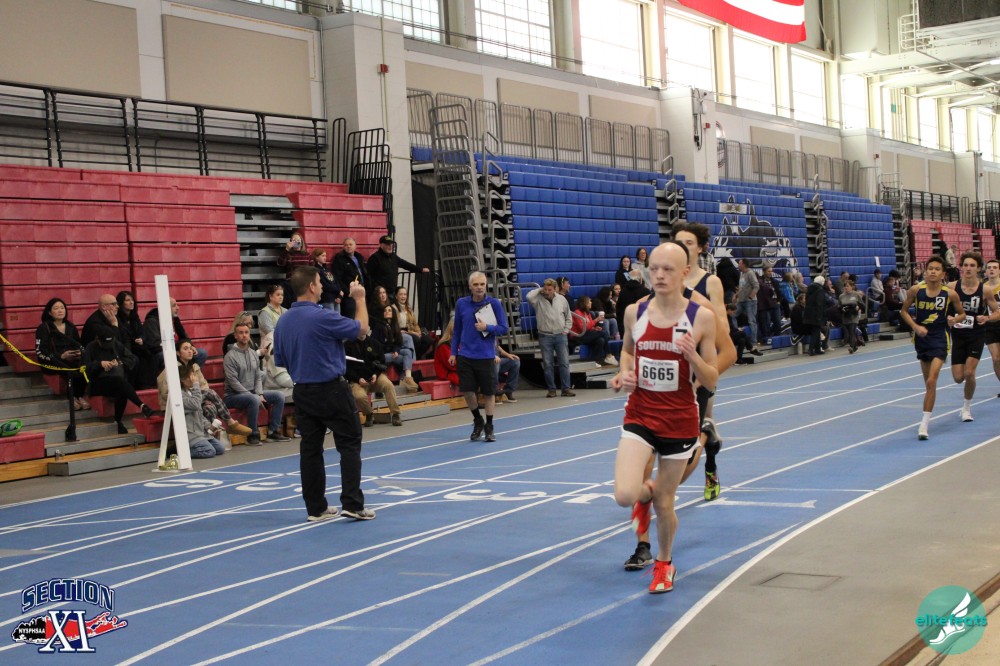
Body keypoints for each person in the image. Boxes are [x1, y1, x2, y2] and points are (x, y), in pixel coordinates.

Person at [612, 242, 718, 594]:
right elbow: (627, 352)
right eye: (653, 268)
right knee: (625, 495)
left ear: (685, 272)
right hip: (640, 414)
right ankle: (645, 494)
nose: (658, 275)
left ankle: (664, 563)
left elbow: (711, 380)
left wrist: (693, 358)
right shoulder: (634, 312)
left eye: (667, 269)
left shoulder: (701, 318)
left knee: (664, 501)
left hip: (679, 420)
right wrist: (624, 374)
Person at [273, 265, 376, 522]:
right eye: (320, 282)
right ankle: (352, 502)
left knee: (310, 449)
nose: (322, 287)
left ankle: (316, 507)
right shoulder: (322, 316)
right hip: (331, 389)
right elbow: (362, 329)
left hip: (302, 391)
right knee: (349, 443)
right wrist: (360, 298)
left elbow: (281, 360)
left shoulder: (283, 321)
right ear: (311, 286)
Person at [899, 256, 965, 440]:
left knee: (932, 380)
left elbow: (962, 314)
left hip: (940, 338)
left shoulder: (949, 294)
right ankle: (926, 417)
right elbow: (903, 311)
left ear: (943, 274)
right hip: (922, 339)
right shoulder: (916, 290)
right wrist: (915, 327)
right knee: (928, 384)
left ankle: (924, 424)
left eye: (937, 269)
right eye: (930, 269)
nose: (933, 272)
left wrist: (954, 320)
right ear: (926, 272)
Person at [451, 271, 509, 442]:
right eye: (476, 284)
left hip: (485, 356)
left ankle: (489, 426)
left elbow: (503, 328)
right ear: (470, 286)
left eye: (482, 284)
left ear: (486, 285)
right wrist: (453, 352)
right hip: (465, 355)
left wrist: (487, 327)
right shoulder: (461, 303)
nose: (479, 287)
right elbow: (457, 331)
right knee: (468, 391)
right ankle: (478, 420)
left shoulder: (494, 304)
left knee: (489, 392)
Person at [157, 339, 251, 438]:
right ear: (178, 353)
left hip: (195, 399)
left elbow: (203, 385)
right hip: (179, 403)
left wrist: (204, 400)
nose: (189, 351)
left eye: (190, 348)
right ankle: (230, 422)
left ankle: (210, 435)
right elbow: (166, 393)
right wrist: (191, 396)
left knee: (210, 407)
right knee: (210, 392)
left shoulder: (194, 366)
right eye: (185, 349)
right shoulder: (171, 369)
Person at [947, 252, 999, 422]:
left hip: (976, 334)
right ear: (961, 267)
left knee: (969, 373)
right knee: (958, 377)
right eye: (965, 265)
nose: (968, 268)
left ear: (978, 269)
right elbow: (941, 307)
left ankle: (966, 408)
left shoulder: (985, 290)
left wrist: (987, 318)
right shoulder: (952, 287)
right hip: (958, 335)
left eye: (972, 265)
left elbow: (997, 312)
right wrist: (948, 318)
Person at [223, 323, 290, 445]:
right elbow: (233, 382)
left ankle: (273, 432)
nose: (244, 335)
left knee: (279, 396)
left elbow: (258, 376)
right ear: (236, 336)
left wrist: (259, 393)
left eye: (246, 332)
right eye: (241, 333)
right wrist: (253, 395)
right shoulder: (230, 356)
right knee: (253, 399)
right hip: (233, 396)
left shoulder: (253, 353)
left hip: (252, 393)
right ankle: (252, 434)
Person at [84, 327, 155, 433]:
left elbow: (132, 358)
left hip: (116, 380)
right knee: (120, 383)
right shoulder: (90, 348)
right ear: (98, 340)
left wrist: (119, 362)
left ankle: (118, 421)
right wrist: (100, 364)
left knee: (122, 389)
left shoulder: (116, 345)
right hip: (97, 382)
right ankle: (142, 406)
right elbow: (85, 367)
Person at [35, 297, 89, 410]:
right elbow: (41, 351)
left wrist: (78, 353)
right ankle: (72, 397)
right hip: (51, 361)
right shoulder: (44, 328)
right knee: (70, 369)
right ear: (49, 312)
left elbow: (78, 344)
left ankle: (79, 396)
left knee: (84, 365)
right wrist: (61, 356)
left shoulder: (70, 326)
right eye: (56, 308)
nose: (60, 310)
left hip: (71, 358)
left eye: (62, 308)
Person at [526, 279, 574, 398]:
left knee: (564, 363)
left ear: (555, 289)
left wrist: (566, 330)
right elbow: (528, 296)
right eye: (545, 289)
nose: (547, 292)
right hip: (545, 335)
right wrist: (539, 289)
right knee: (548, 364)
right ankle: (551, 389)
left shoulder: (562, 299)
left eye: (550, 289)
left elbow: (568, 316)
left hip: (560, 334)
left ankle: (566, 388)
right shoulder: (538, 300)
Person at [345, 336, 402, 427]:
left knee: (388, 385)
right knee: (358, 395)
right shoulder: (347, 345)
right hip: (358, 380)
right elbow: (346, 369)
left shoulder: (375, 343)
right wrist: (358, 379)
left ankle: (395, 414)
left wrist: (376, 374)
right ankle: (369, 414)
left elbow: (382, 362)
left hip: (376, 377)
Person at [178, 364, 227, 459]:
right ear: (183, 379)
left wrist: (209, 426)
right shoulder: (180, 395)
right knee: (210, 451)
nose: (194, 378)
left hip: (201, 433)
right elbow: (196, 404)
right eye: (191, 375)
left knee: (220, 449)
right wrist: (196, 385)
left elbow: (200, 414)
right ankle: (182, 452)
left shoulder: (191, 392)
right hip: (191, 434)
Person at [370, 304, 420, 393]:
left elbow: (398, 342)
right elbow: (375, 344)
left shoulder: (394, 326)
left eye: (389, 310)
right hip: (383, 355)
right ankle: (404, 379)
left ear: (393, 313)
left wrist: (396, 350)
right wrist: (391, 349)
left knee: (407, 351)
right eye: (385, 311)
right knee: (405, 357)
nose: (387, 312)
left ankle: (408, 378)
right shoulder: (378, 326)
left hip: (391, 353)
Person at [144, 298, 207, 369]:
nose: (178, 308)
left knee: (201, 353)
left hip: (176, 351)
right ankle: (180, 374)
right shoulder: (151, 322)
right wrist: (178, 349)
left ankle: (189, 374)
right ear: (165, 308)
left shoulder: (175, 319)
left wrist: (190, 346)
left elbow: (184, 338)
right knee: (168, 356)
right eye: (174, 306)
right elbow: (155, 345)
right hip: (159, 354)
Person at [366, 234, 430, 298]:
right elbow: (368, 275)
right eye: (388, 244)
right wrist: (376, 288)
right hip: (381, 294)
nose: (390, 246)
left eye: (391, 244)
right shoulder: (375, 258)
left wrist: (420, 269)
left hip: (392, 292)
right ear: (381, 245)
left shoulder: (393, 256)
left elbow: (405, 264)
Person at [116, 290, 156, 389]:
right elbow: (122, 336)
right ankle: (139, 385)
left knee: (150, 353)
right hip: (126, 346)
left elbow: (142, 332)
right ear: (121, 303)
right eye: (127, 300)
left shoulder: (134, 316)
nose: (131, 302)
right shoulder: (117, 318)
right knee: (138, 357)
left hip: (137, 344)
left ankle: (148, 384)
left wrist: (141, 338)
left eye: (132, 300)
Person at [569, 296, 616, 366]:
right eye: (589, 301)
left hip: (586, 334)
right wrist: (596, 320)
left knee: (601, 340)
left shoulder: (587, 313)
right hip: (578, 336)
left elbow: (589, 326)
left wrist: (594, 328)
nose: (591, 302)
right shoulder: (577, 312)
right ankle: (608, 355)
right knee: (604, 333)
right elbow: (583, 328)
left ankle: (597, 360)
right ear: (584, 303)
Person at [331, 237, 370, 320]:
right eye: (346, 245)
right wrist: (348, 292)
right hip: (349, 296)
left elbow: (365, 274)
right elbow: (337, 278)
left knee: (361, 318)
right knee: (351, 318)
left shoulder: (359, 257)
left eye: (350, 244)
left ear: (355, 246)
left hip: (361, 293)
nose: (348, 246)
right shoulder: (339, 259)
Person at [393, 286, 433, 360]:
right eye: (401, 294)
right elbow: (394, 325)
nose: (403, 296)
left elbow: (415, 323)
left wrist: (419, 333)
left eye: (405, 294)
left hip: (413, 332)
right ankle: (414, 359)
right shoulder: (393, 308)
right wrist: (413, 333)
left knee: (428, 340)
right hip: (401, 332)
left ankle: (417, 356)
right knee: (416, 339)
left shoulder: (408, 308)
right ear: (396, 296)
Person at [733, 259, 762, 355]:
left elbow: (756, 286)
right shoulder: (742, 274)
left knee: (751, 321)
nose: (738, 265)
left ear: (744, 265)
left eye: (740, 263)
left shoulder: (750, 273)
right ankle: (736, 335)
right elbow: (741, 287)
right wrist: (736, 295)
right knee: (732, 315)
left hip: (750, 301)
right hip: (741, 300)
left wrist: (751, 296)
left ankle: (753, 342)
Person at [276, 231, 311, 309]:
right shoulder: (288, 254)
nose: (296, 242)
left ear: (301, 242)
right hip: (291, 285)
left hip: (304, 284)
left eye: (298, 240)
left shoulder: (307, 255)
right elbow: (280, 263)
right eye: (294, 240)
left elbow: (312, 270)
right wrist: (287, 249)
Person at [982, 259, 1000, 395]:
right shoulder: (982, 288)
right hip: (990, 326)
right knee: (996, 359)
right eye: (989, 267)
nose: (992, 269)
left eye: (995, 267)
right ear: (986, 271)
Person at [311, 248, 344, 312]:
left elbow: (335, 281)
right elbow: (324, 284)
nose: (325, 258)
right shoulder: (316, 270)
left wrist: (339, 295)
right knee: (329, 316)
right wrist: (339, 290)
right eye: (322, 256)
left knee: (337, 316)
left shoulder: (327, 269)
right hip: (326, 299)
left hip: (336, 298)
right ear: (316, 257)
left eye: (325, 256)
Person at [804, 276, 829, 356]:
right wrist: (819, 316)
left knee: (816, 331)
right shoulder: (820, 290)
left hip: (808, 313)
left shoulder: (809, 289)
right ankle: (811, 349)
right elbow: (819, 304)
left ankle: (817, 349)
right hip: (816, 314)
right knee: (816, 331)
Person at [838, 279, 863, 353]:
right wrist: (842, 308)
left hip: (854, 316)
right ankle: (855, 346)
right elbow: (839, 306)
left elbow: (862, 304)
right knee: (849, 332)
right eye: (845, 286)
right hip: (845, 316)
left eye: (848, 286)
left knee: (852, 330)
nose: (846, 287)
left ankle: (851, 347)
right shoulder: (841, 296)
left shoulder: (856, 294)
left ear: (852, 287)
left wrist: (858, 307)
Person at [434, 319, 459, 386]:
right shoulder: (444, 345)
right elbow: (451, 365)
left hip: (457, 371)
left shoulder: (460, 343)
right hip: (448, 373)